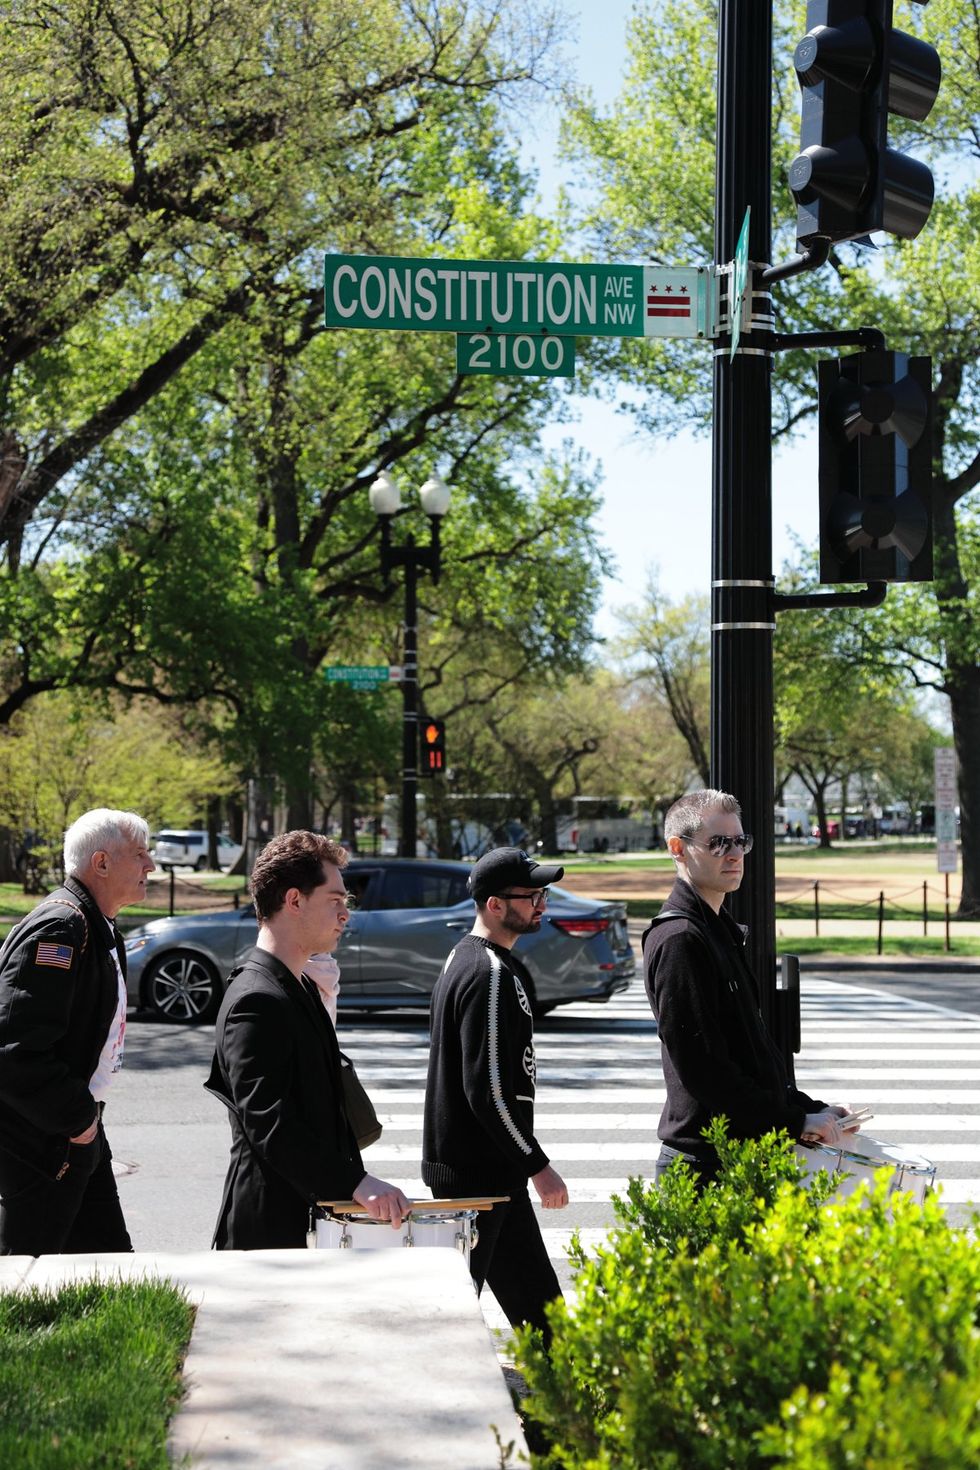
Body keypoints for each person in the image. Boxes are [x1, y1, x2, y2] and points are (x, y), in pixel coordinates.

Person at [205, 830, 409, 1249]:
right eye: (335, 900)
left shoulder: (296, 987)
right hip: (269, 1232)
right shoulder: (256, 998)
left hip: (307, 1219)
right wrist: (356, 1182)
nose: (345, 913)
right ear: (294, 900)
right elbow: (269, 1122)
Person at [643, 789, 852, 1184]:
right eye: (718, 842)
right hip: (705, 1166)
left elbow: (750, 1057)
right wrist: (793, 1121)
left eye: (740, 841)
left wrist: (812, 1109)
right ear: (678, 848)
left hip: (741, 1156)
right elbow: (704, 1069)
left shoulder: (716, 930)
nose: (734, 854)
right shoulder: (679, 939)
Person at [422, 846, 569, 1343]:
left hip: (489, 1174)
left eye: (542, 894)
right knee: (451, 1316)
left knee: (542, 1316)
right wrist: (537, 1164)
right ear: (494, 905)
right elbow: (487, 1090)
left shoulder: (469, 960)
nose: (541, 905)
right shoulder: (489, 973)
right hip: (478, 1180)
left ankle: (558, 1414)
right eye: (530, 896)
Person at [0, 808, 154, 1255]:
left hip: (76, 1129)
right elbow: (14, 1051)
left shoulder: (96, 925)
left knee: (107, 1266)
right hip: (44, 1140)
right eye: (140, 854)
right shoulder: (61, 927)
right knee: (29, 1279)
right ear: (101, 864)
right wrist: (79, 1120)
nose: (151, 866)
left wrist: (86, 1123)